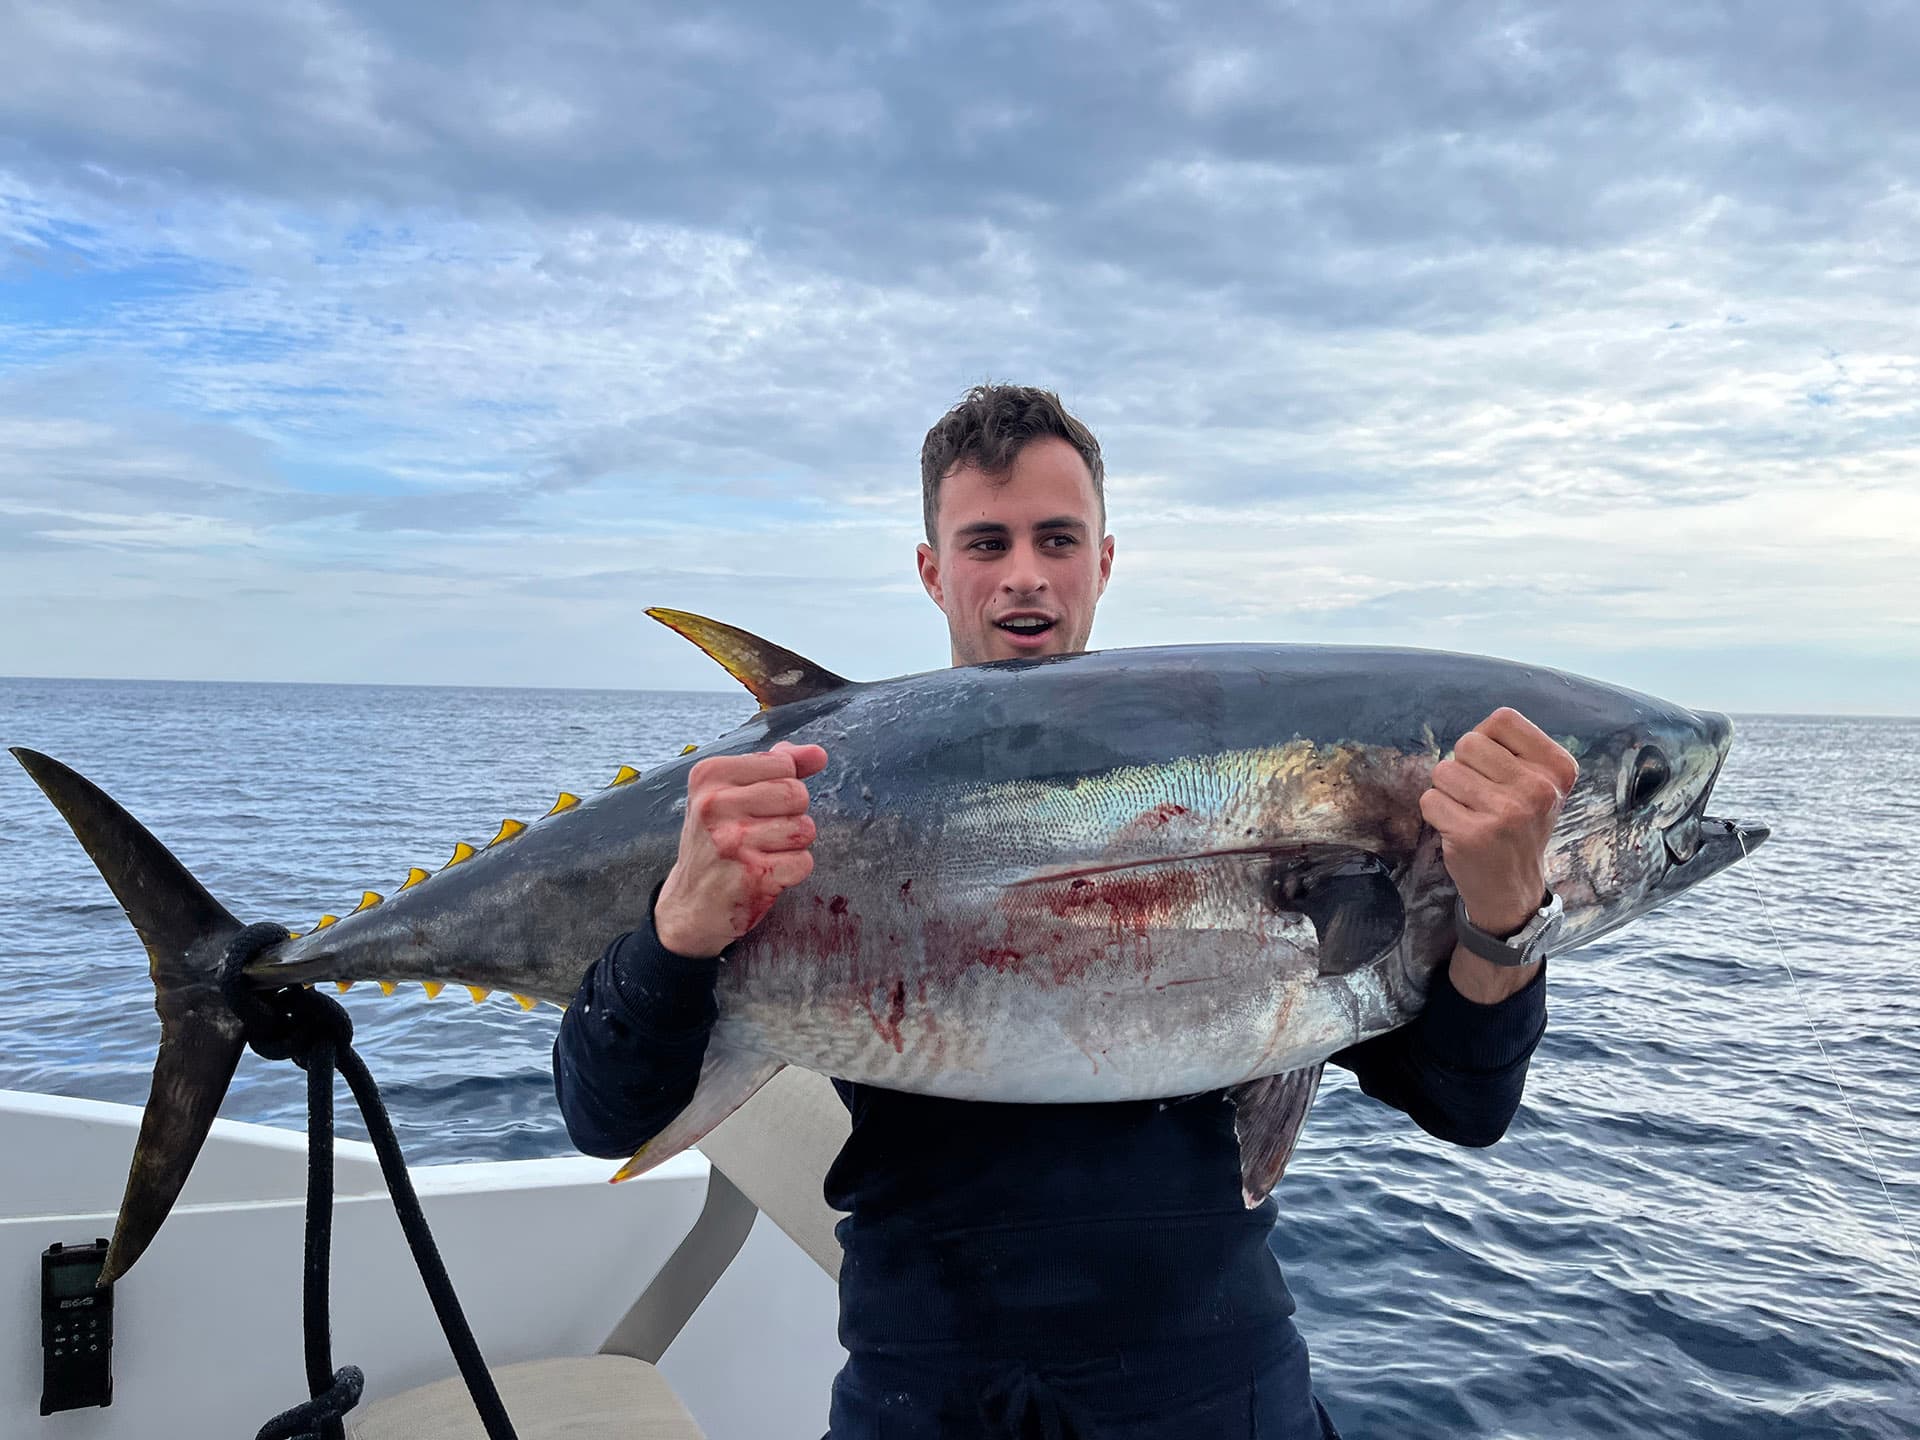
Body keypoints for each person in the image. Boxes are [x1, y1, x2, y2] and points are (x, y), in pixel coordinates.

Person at [553, 385, 1575, 1438]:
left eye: (1057, 539)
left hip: (1209, 1377)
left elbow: (1464, 1107)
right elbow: (606, 1116)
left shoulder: (1267, 788)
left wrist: (1506, 921)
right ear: (932, 570)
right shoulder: (808, 792)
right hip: (925, 1381)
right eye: (986, 543)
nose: (1025, 575)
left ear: (1103, 560)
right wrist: (678, 934)